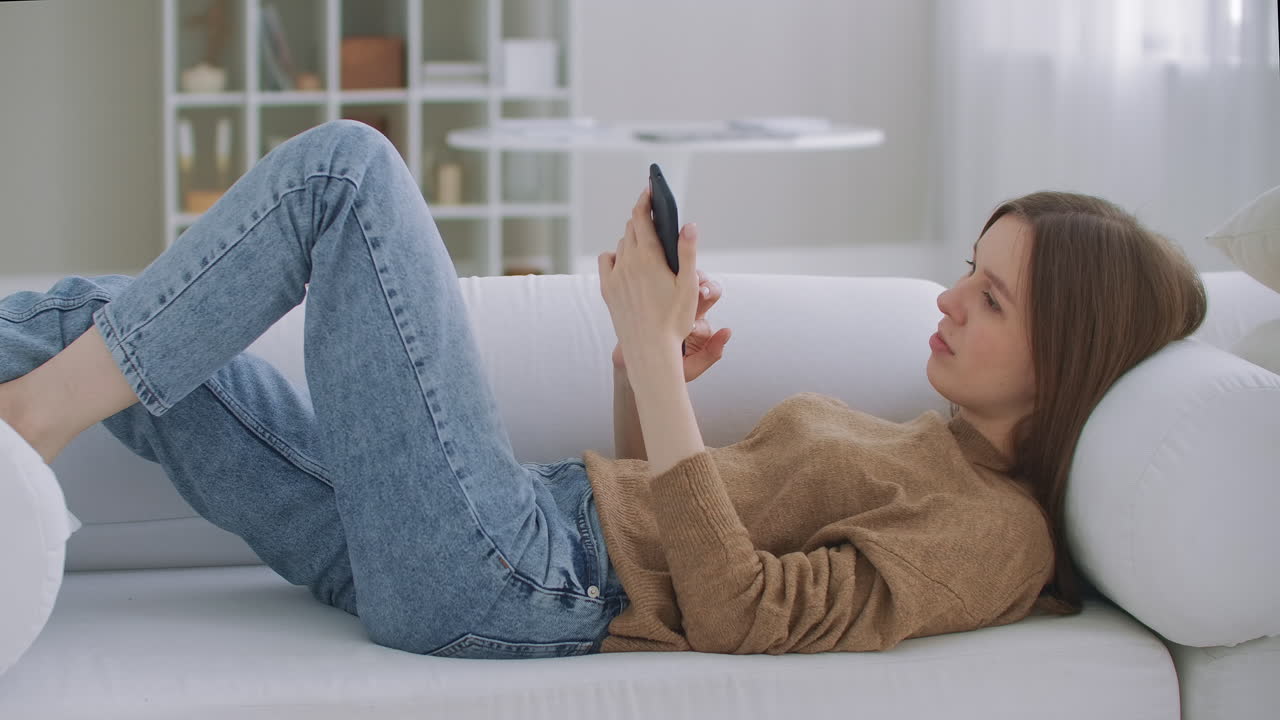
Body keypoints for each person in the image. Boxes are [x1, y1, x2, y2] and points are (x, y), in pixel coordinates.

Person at [0, 120, 1206, 659]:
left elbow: (740, 615)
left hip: (519, 577)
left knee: (348, 173)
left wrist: (647, 362)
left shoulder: (993, 535)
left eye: (990, 301)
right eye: (966, 272)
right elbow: (666, 512)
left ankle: (32, 424)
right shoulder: (929, 439)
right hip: (493, 536)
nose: (947, 301)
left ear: (1067, 366)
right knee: (97, 326)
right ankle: (38, 398)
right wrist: (648, 375)